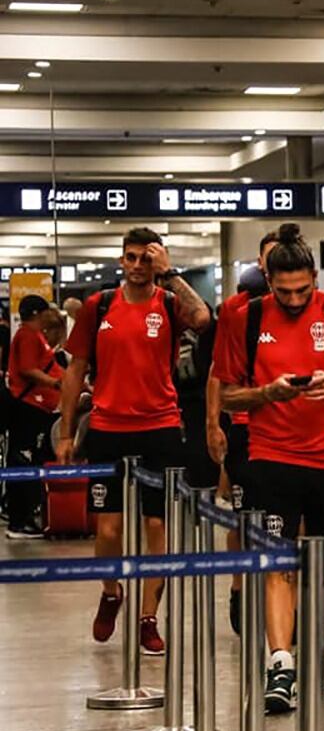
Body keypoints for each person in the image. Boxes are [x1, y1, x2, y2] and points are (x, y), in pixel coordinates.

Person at [213, 223, 324, 714]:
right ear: (267, 278)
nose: (295, 299)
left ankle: (310, 653)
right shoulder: (245, 316)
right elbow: (227, 393)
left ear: (316, 278)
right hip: (271, 456)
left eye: (304, 290)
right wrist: (267, 393)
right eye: (284, 291)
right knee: (279, 561)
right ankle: (280, 661)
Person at [57, 226, 211, 655]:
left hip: (159, 426)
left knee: (156, 525)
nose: (138, 265)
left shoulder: (170, 303)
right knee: (107, 529)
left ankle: (148, 617)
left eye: (147, 258)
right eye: (131, 257)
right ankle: (111, 591)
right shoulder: (98, 306)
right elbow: (75, 370)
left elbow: (202, 319)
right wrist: (67, 431)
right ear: (121, 260)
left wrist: (171, 272)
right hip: (107, 428)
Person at [206, 230, 279, 632]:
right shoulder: (235, 311)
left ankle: (283, 592)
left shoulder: (306, 309)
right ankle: (239, 589)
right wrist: (213, 423)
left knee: (285, 519)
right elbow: (219, 373)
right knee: (242, 517)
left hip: (289, 433)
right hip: (244, 428)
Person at [5, 296, 63, 539]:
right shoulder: (28, 335)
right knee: (24, 460)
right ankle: (20, 520)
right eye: (48, 310)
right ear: (39, 313)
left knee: (28, 459)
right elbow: (28, 370)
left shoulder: (34, 335)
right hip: (28, 408)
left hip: (37, 408)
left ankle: (24, 515)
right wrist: (56, 383)